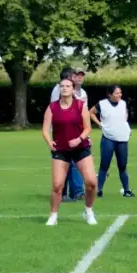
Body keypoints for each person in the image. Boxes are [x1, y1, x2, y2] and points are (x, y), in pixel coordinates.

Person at [42, 76, 98, 226]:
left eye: (67, 86)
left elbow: (88, 128)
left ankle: (88, 210)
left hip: (81, 148)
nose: (64, 88)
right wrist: (49, 142)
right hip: (61, 150)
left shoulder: (80, 106)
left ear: (73, 89)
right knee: (57, 185)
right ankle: (53, 215)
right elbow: (45, 129)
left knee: (92, 182)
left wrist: (79, 139)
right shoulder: (52, 107)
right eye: (62, 86)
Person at [89, 85, 134, 198]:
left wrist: (126, 127)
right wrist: (100, 124)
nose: (120, 95)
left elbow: (124, 115)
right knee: (104, 165)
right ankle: (98, 190)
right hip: (108, 138)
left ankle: (127, 190)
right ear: (110, 94)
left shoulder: (123, 103)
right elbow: (91, 112)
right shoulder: (102, 104)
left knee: (122, 165)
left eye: (120, 92)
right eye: (117, 93)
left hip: (122, 139)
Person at [51, 67, 87, 202]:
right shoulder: (59, 90)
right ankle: (66, 192)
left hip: (75, 133)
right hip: (61, 133)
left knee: (73, 163)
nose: (76, 77)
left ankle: (75, 191)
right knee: (65, 163)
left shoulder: (79, 92)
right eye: (73, 75)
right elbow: (57, 111)